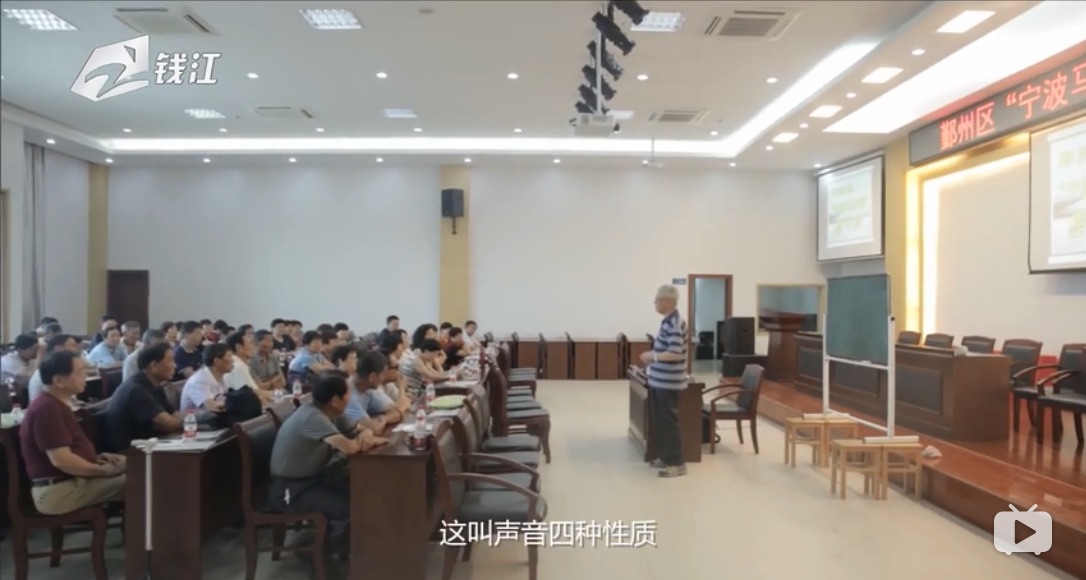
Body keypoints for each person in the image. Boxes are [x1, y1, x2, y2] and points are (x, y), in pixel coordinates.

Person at [268, 371, 387, 552]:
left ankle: (358, 548)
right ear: (335, 400)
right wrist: (366, 440)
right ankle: (321, 554)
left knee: (361, 492)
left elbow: (364, 429)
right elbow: (350, 447)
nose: (350, 397)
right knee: (345, 507)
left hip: (313, 479)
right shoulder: (313, 417)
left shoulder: (333, 412)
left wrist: (366, 434)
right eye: (348, 393)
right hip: (291, 490)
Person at [19, 350, 126, 515]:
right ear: (59, 381)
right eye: (79, 372)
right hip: (58, 491)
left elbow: (68, 451)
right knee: (138, 481)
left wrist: (94, 459)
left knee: (136, 466)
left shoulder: (57, 403)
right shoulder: (46, 409)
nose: (85, 375)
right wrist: (101, 471)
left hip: (70, 481)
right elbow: (62, 461)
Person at [639, 284, 690, 478]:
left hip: (668, 383)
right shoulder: (667, 322)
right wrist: (654, 355)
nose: (655, 302)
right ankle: (666, 457)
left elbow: (675, 353)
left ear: (667, 301)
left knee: (669, 423)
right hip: (660, 381)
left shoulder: (675, 323)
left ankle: (677, 463)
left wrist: (653, 356)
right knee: (661, 422)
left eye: (657, 299)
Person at [102, 342, 183, 453]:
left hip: (150, 446)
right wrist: (193, 420)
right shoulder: (136, 390)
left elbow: (175, 416)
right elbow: (169, 424)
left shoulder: (155, 386)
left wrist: (186, 421)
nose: (175, 366)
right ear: (153, 365)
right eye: (170, 361)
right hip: (131, 453)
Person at [343, 350, 403, 431]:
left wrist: (384, 418)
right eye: (383, 374)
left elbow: (397, 411)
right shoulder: (348, 396)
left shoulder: (368, 388)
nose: (383, 378)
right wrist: (376, 421)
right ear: (372, 377)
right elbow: (374, 429)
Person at [28, 334, 83, 402]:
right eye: (73, 346)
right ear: (58, 348)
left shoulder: (61, 369)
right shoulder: (49, 372)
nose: (77, 349)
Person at [180, 343, 233, 412]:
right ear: (217, 361)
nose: (233, 360)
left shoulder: (223, 376)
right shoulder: (198, 381)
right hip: (195, 418)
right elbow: (212, 407)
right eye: (229, 356)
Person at [224, 330, 273, 404]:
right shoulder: (238, 366)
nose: (255, 346)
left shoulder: (240, 364)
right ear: (239, 347)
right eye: (251, 343)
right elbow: (253, 395)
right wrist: (276, 394)